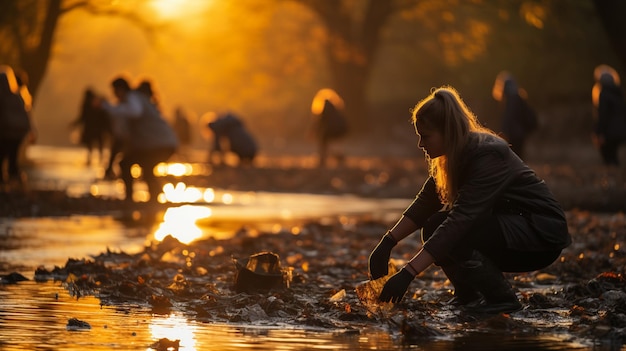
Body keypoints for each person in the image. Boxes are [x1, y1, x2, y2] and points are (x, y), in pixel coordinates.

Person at [368, 86, 571, 315]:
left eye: (425, 136)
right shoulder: (453, 156)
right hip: (510, 227)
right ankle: (468, 296)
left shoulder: (488, 155)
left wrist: (408, 273)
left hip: (541, 234)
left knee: (455, 232)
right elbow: (426, 202)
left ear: (447, 131)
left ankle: (502, 300)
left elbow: (460, 221)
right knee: (434, 224)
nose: (420, 144)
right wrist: (388, 242)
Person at [101, 76, 179, 203]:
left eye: (115, 91)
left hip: (160, 144)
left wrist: (109, 108)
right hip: (163, 144)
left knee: (130, 164)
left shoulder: (132, 99)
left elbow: (134, 112)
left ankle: (132, 198)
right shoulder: (137, 100)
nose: (114, 95)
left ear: (120, 89)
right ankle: (155, 198)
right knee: (144, 167)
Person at [0, 65, 33, 190]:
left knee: (3, 156)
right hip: (18, 132)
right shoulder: (19, 95)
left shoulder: (3, 98)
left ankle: (6, 181)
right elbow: (26, 114)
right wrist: (30, 130)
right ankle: (17, 181)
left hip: (6, 132)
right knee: (12, 157)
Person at [492, 71, 537, 160]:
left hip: (513, 135)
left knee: (514, 159)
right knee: (519, 159)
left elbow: (509, 117)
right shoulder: (519, 97)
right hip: (520, 134)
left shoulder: (511, 99)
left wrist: (503, 132)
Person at [591, 65, 626, 166]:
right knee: (614, 155)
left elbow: (603, 114)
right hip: (620, 130)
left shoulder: (603, 93)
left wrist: (599, 131)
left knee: (608, 156)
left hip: (608, 132)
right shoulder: (619, 92)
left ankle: (611, 176)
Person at [70, 88, 112, 166]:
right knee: (95, 145)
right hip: (95, 128)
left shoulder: (95, 104)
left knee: (93, 145)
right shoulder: (92, 104)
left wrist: (75, 124)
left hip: (95, 128)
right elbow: (83, 117)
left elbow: (83, 117)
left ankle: (96, 160)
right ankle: (97, 160)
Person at [309, 88, 348, 167]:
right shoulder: (335, 107)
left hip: (334, 129)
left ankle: (323, 159)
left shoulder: (326, 107)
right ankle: (337, 157)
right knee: (327, 141)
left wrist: (313, 131)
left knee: (323, 140)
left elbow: (321, 121)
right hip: (342, 129)